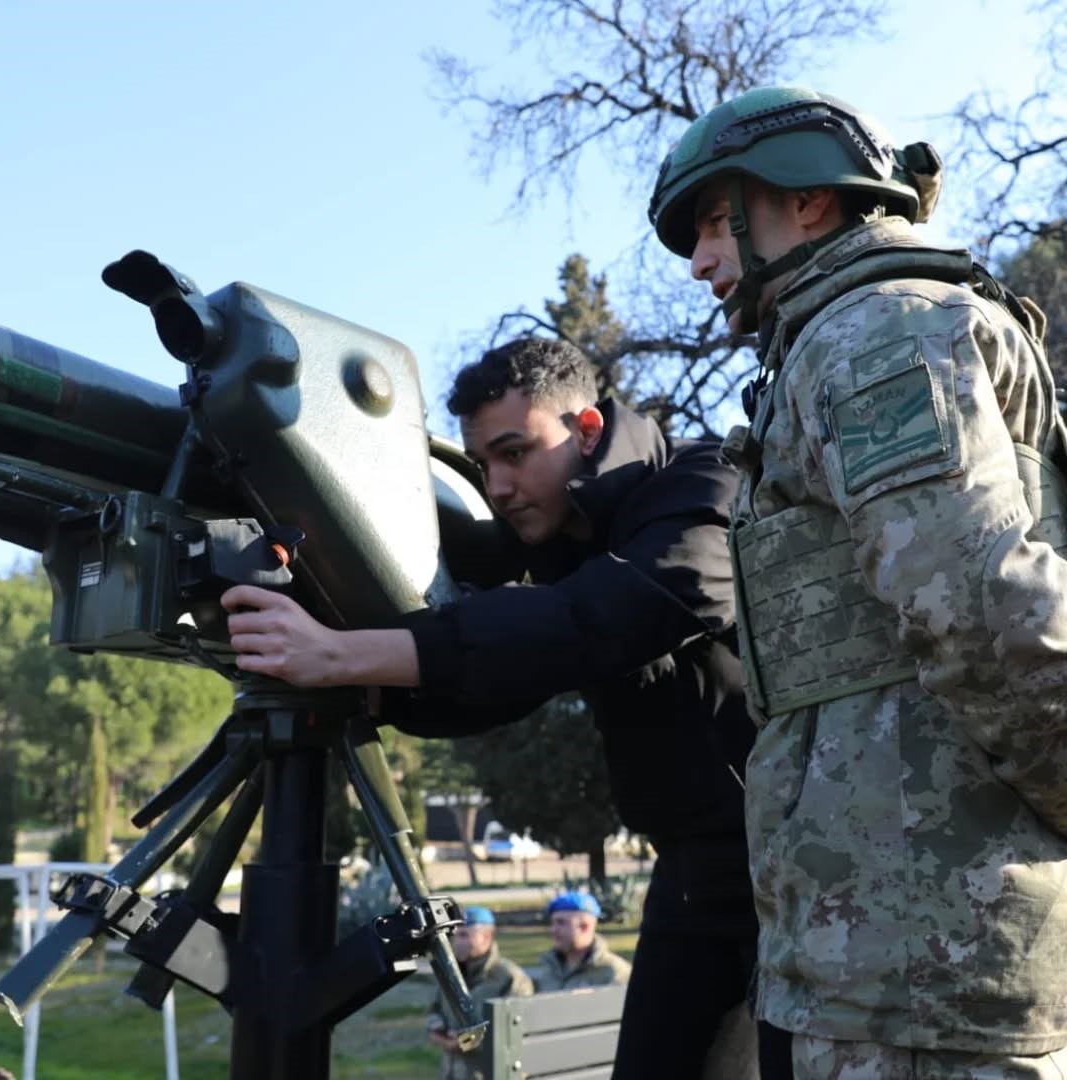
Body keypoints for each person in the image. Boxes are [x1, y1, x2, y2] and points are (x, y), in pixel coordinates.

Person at [649, 84, 1067, 1078]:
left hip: (928, 963)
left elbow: (983, 611)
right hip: (896, 950)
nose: (702, 261)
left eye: (715, 220)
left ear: (810, 200)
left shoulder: (878, 334)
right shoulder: (840, 341)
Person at [221, 336, 779, 1078]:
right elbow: (514, 672)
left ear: (585, 430)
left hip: (792, 868)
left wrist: (346, 653)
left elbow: (605, 618)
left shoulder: (707, 482)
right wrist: (364, 682)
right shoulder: (578, 544)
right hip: (690, 878)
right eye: (485, 464)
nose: (499, 485)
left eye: (516, 453)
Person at [424, 905, 533, 1080]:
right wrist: (436, 1030)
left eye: (465, 935)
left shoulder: (510, 978)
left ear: (486, 937)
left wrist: (464, 1042)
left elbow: (515, 1032)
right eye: (454, 936)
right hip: (451, 1073)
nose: (457, 942)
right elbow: (434, 1010)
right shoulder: (449, 974)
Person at [533, 891, 631, 992]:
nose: (554, 930)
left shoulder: (615, 973)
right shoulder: (549, 969)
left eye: (561, 923)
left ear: (585, 927)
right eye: (553, 923)